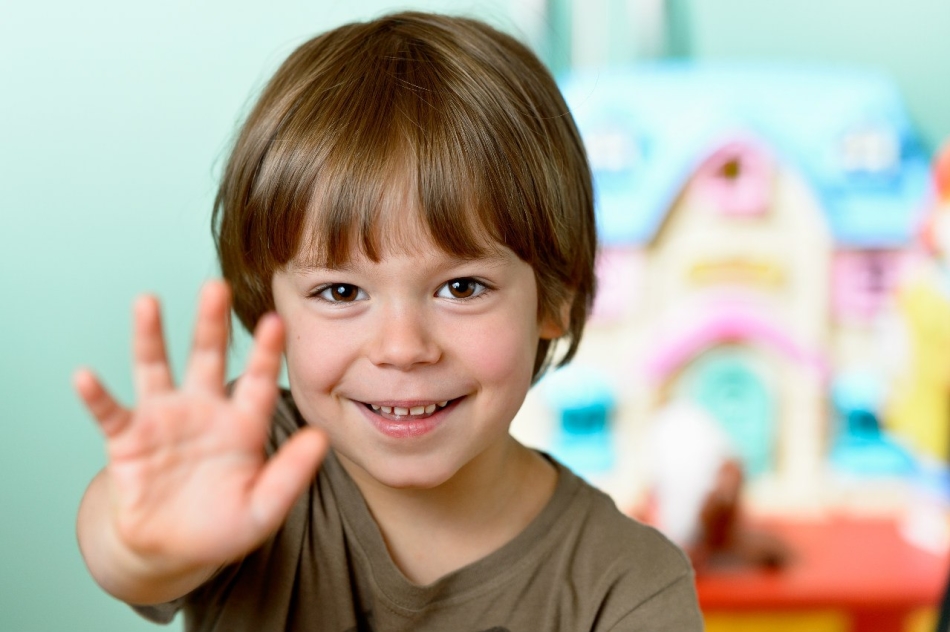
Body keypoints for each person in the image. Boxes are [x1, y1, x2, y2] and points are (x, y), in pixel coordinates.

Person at [74, 11, 702, 631]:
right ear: (272, 308)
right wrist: (143, 541)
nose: (402, 349)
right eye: (341, 291)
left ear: (555, 297)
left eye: (462, 287)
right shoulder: (247, 460)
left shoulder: (628, 589)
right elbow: (124, 554)